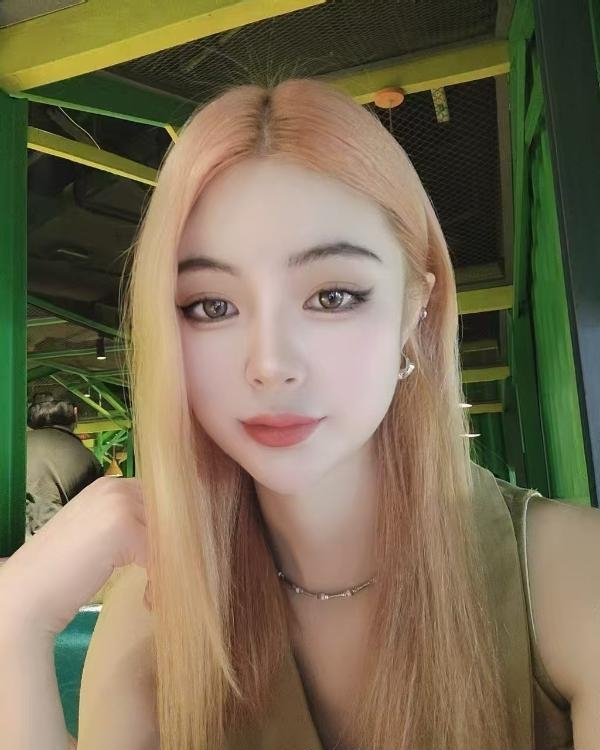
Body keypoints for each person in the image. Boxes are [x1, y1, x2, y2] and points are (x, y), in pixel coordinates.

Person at [0, 77, 599, 750]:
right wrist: (15, 619)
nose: (270, 363)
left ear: (415, 311)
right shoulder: (156, 607)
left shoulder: (573, 579)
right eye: (211, 306)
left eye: (333, 296)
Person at [25, 393, 104, 539]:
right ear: (75, 413)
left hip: (10, 545)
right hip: (60, 543)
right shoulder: (87, 458)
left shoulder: (15, 448)